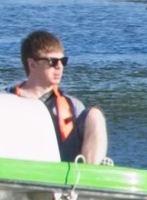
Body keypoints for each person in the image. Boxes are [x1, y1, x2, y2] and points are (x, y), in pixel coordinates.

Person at [9, 30, 109, 165]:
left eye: (63, 61)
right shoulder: (5, 101)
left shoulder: (72, 106)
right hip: (18, 168)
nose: (59, 67)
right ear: (32, 64)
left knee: (95, 114)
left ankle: (90, 174)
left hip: (66, 174)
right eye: (52, 61)